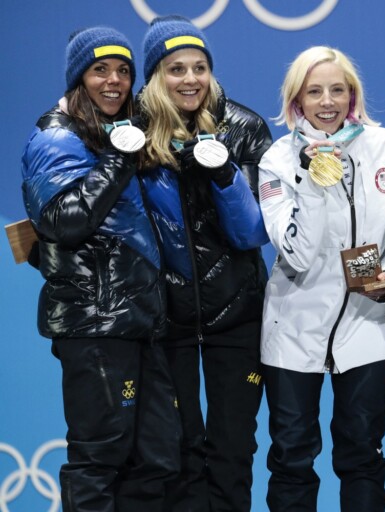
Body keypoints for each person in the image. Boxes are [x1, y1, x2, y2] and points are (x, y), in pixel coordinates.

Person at [20, 27, 180, 511]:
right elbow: (63, 222)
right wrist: (118, 159)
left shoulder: (113, 133)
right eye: (100, 70)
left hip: (136, 322)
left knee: (155, 458)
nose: (114, 81)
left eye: (123, 71)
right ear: (79, 79)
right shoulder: (55, 137)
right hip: (95, 324)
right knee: (99, 459)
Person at [258, 46, 385, 511]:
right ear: (296, 99)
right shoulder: (277, 160)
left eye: (337, 90)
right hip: (294, 326)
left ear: (352, 95)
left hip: (368, 325)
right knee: (292, 456)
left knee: (363, 452)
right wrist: (311, 181)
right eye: (314, 91)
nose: (327, 102)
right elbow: (297, 254)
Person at [137, 15, 272, 512]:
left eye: (200, 67)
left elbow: (251, 232)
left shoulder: (245, 127)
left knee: (233, 450)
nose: (190, 79)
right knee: (178, 451)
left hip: (237, 317)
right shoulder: (131, 135)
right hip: (165, 319)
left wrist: (222, 173)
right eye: (176, 69)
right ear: (156, 76)